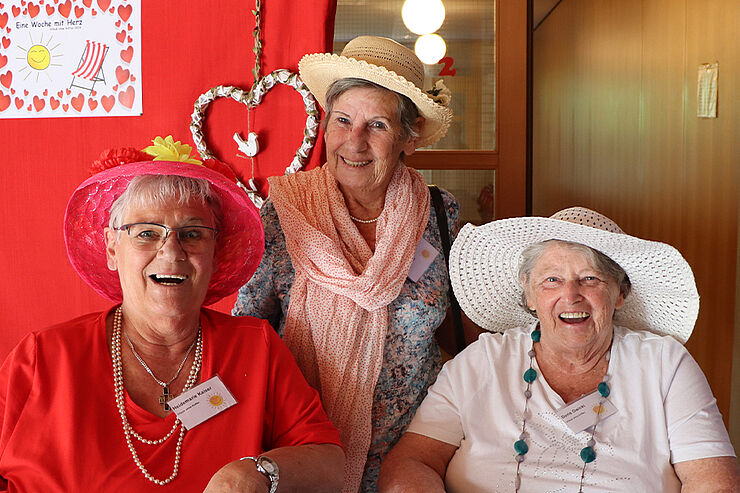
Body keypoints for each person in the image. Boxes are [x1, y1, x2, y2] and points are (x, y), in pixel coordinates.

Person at [0, 136, 344, 492]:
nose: (171, 252)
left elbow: (330, 466)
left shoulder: (255, 349)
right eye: (147, 233)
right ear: (112, 248)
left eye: (192, 234)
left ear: (215, 251)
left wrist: (256, 472)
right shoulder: (41, 359)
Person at [232, 36, 460, 493]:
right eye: (342, 121)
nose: (354, 142)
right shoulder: (282, 218)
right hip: (305, 454)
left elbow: (463, 335)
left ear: (407, 139)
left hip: (414, 461)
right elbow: (247, 337)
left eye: (376, 124)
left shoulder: (439, 213)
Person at [379, 207, 740, 492]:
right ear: (530, 294)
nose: (570, 295)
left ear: (620, 293)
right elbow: (411, 463)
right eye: (551, 280)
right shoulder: (481, 361)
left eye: (590, 279)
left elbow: (714, 480)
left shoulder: (664, 365)